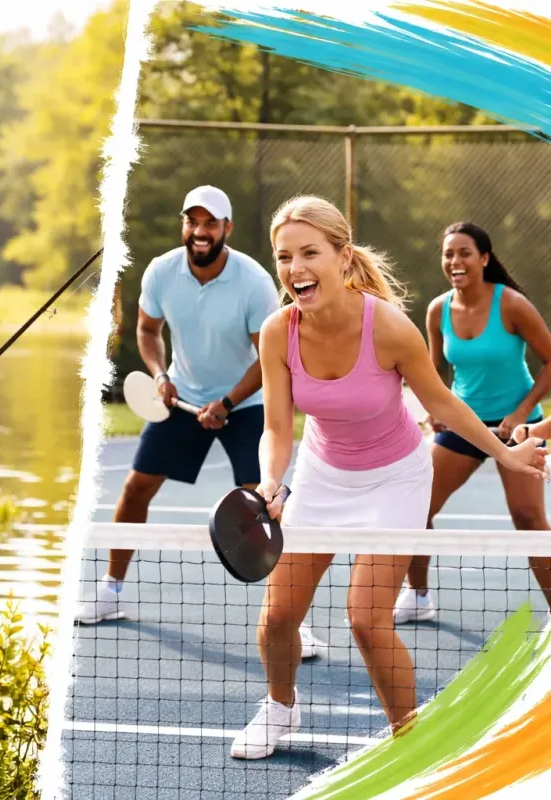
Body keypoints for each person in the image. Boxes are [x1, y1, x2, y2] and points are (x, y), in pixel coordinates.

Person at [233, 195, 546, 761]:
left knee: (367, 620)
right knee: (279, 616)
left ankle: (413, 740)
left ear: (342, 256)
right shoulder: (278, 332)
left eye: (310, 252)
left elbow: (442, 405)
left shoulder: (390, 329)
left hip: (396, 479)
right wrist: (270, 482)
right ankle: (280, 708)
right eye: (284, 257)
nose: (295, 268)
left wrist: (505, 454)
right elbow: (278, 427)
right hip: (323, 474)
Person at [76, 186, 322, 658]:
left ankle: (294, 620)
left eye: (211, 223)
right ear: (183, 225)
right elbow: (148, 331)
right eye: (193, 221)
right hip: (183, 399)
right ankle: (111, 591)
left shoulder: (252, 281)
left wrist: (227, 403)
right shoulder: (162, 272)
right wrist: (160, 374)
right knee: (135, 488)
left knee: (266, 504)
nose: (200, 231)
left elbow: (269, 359)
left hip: (246, 405)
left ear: (226, 229)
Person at [395, 222, 551, 623]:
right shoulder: (437, 309)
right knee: (414, 507)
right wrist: (433, 408)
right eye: (448, 254)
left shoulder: (512, 304)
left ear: (484, 258)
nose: (455, 261)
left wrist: (519, 414)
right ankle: (418, 596)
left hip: (518, 429)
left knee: (528, 518)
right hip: (464, 425)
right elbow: (434, 369)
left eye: (464, 253)